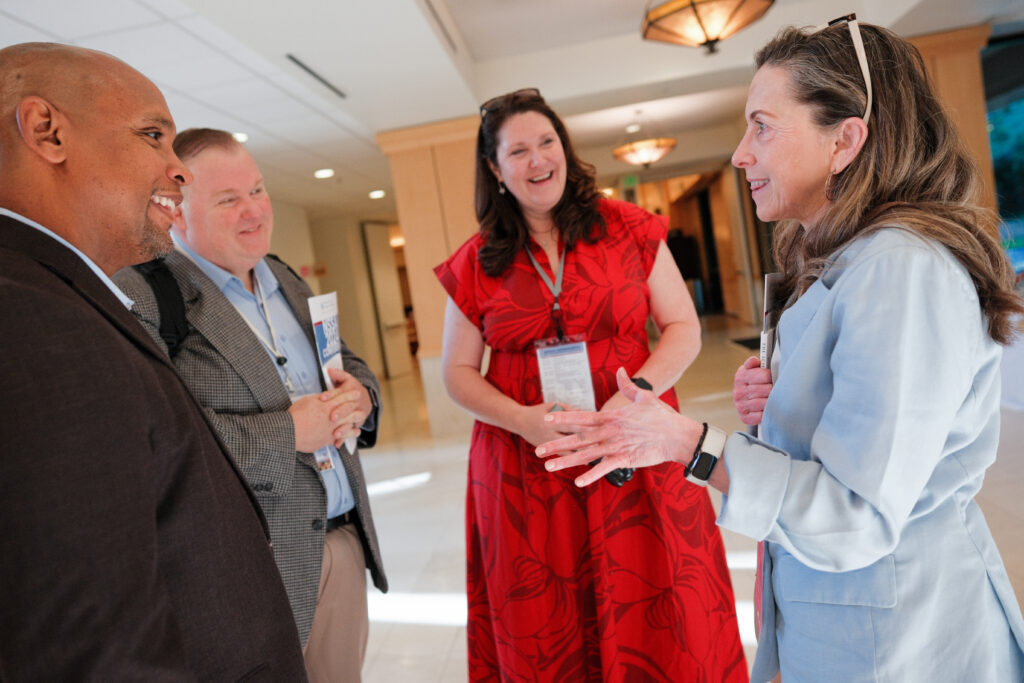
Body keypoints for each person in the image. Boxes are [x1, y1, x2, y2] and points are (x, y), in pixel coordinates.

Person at [537, 16, 1024, 683]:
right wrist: (780, 399)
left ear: (844, 140)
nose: (741, 153)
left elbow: (855, 512)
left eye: (762, 126)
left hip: (902, 634)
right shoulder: (841, 262)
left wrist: (691, 443)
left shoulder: (899, 270)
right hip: (847, 618)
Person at [0, 43, 307, 680]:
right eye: (151, 136)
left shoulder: (61, 294)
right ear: (46, 132)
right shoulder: (32, 318)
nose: (178, 169)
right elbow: (94, 647)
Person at [434, 88, 747, 681]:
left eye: (546, 142)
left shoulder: (628, 228)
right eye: (517, 150)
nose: (536, 160)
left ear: (565, 149)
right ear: (496, 170)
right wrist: (523, 418)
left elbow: (682, 325)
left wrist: (640, 395)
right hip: (527, 465)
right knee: (544, 620)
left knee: (661, 599)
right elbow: (456, 373)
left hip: (638, 444)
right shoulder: (477, 260)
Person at [113, 128, 387, 683]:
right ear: (181, 212)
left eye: (258, 191)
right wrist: (288, 433)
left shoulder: (283, 276)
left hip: (342, 541)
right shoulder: (147, 297)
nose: (254, 210)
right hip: (249, 567)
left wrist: (361, 394)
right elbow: (152, 437)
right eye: (228, 199)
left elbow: (348, 362)